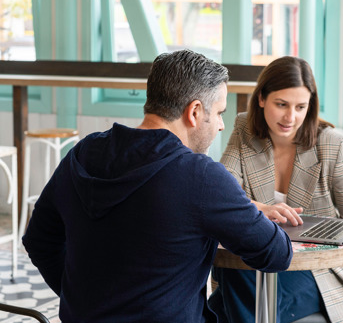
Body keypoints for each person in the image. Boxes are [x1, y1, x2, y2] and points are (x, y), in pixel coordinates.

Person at [22, 49, 294, 323]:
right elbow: (277, 254)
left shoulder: (83, 153)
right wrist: (247, 211)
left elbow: (38, 240)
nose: (222, 125)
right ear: (195, 112)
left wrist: (80, 301)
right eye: (220, 112)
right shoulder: (200, 176)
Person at [208, 56, 343, 323]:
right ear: (261, 98)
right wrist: (261, 209)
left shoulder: (334, 145)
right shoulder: (244, 128)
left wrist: (318, 240)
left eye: (301, 107)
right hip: (260, 257)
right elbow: (220, 195)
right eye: (281, 104)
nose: (291, 117)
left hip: (318, 271)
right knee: (238, 272)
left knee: (225, 298)